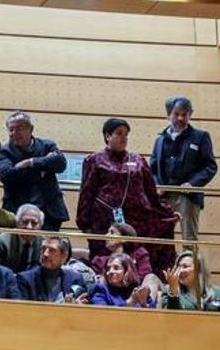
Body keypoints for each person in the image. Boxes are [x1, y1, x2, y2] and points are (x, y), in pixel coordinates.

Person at [76, 118, 177, 276]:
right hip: (104, 220)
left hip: (136, 220)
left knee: (138, 256)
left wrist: (167, 212)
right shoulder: (94, 160)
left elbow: (151, 192)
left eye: (126, 134)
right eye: (119, 133)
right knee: (106, 260)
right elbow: (87, 192)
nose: (124, 137)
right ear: (107, 136)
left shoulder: (138, 160)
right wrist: (83, 221)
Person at [150, 96, 218, 242]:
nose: (180, 118)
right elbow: (153, 169)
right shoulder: (160, 140)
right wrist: (157, 186)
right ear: (169, 114)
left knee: (189, 240)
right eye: (176, 114)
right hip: (163, 196)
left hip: (187, 196)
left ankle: (192, 265)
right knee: (162, 239)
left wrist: (193, 184)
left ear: (190, 115)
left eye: (185, 114)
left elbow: (210, 166)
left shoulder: (201, 137)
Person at [0, 111, 68, 231]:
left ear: (31, 129)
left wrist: (30, 162)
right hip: (18, 211)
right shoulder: (4, 152)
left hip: (49, 212)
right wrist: (43, 167)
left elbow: (61, 163)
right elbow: (6, 176)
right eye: (11, 129)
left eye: (19, 128)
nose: (14, 133)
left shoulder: (47, 145)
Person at [17, 236, 88, 303]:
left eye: (52, 250)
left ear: (64, 257)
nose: (45, 254)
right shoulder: (25, 280)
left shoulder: (75, 279)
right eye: (43, 249)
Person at [88, 253, 154, 308]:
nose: (110, 271)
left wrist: (144, 304)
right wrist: (131, 301)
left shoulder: (138, 290)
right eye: (108, 269)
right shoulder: (100, 290)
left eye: (116, 268)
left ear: (127, 271)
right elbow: (103, 314)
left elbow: (153, 315)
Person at [0, 203, 44, 273]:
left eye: (34, 223)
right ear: (17, 223)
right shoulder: (1, 241)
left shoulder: (44, 243)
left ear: (40, 226)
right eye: (25, 222)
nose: (29, 227)